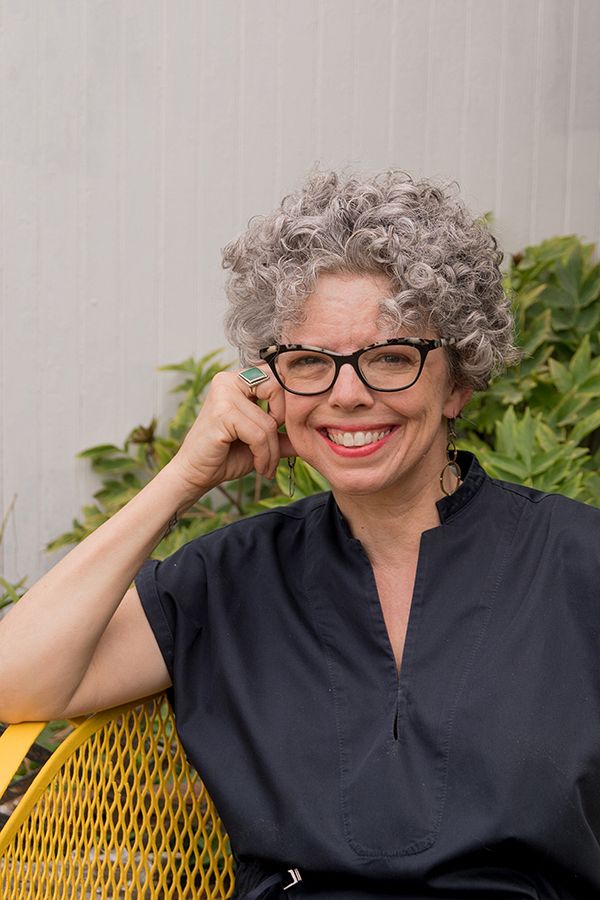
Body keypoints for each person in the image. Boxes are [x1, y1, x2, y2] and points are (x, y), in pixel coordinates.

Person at [1, 169, 599, 899]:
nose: (348, 394)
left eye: (390, 357)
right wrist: (182, 480)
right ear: (270, 385)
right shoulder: (231, 577)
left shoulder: (577, 563)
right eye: (310, 363)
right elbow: (13, 678)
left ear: (460, 379)